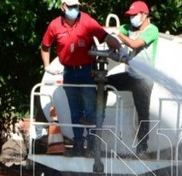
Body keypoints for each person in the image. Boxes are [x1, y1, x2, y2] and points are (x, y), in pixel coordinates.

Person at [41, 0, 124, 156]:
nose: (75, 9)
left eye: (77, 6)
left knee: (90, 110)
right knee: (75, 111)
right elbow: (45, 46)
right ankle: (78, 145)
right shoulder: (54, 26)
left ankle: (92, 147)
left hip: (86, 71)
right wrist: (47, 66)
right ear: (63, 7)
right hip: (69, 72)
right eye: (71, 6)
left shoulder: (86, 21)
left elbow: (105, 36)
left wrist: (120, 48)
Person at [107, 1, 158, 157]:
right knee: (102, 82)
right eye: (130, 16)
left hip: (144, 80)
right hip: (130, 76)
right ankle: (95, 120)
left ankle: (142, 149)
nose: (131, 19)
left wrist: (119, 36)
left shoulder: (152, 30)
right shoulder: (127, 28)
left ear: (144, 14)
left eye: (134, 15)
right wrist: (114, 46)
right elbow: (112, 32)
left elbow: (135, 44)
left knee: (143, 115)